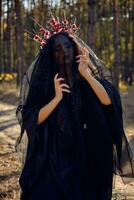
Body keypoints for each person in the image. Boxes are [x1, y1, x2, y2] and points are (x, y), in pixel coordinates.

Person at [16, 15, 134, 200]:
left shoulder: (88, 78)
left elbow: (108, 101)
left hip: (85, 158)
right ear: (51, 55)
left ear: (76, 49)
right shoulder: (45, 84)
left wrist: (86, 74)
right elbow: (31, 118)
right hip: (52, 160)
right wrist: (56, 99)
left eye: (68, 46)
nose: (63, 52)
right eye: (57, 49)